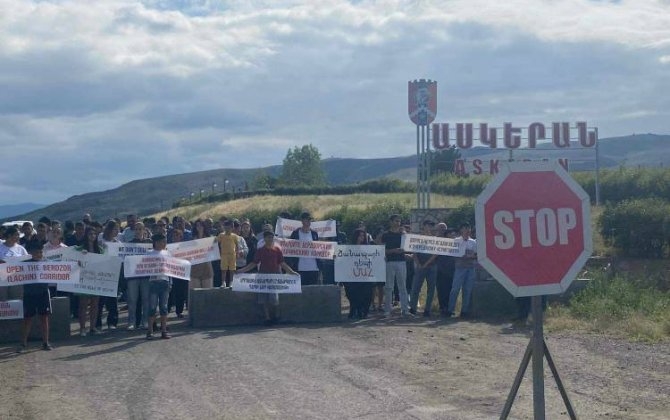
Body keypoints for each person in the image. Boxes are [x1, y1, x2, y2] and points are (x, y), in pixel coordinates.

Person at [238, 230, 298, 325]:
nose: (270, 239)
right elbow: (254, 263)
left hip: (275, 276)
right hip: (263, 276)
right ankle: (267, 318)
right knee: (263, 298)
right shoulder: (260, 251)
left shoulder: (277, 250)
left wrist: (291, 272)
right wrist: (242, 271)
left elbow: (282, 263)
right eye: (268, 237)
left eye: (271, 237)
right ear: (264, 239)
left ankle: (276, 316)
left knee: (274, 298)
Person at [17, 241, 53, 352]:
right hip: (29, 294)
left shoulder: (47, 263)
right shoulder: (24, 264)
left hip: (43, 293)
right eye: (37, 252)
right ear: (31, 253)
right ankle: (23, 344)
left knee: (44, 318)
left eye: (41, 251)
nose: (39, 254)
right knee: (27, 319)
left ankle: (45, 342)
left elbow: (64, 269)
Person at [380, 214, 409, 317]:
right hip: (390, 262)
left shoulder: (403, 234)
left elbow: (408, 246)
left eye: (399, 221)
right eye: (396, 221)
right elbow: (382, 250)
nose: (398, 223)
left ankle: (405, 309)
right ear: (391, 222)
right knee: (388, 287)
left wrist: (405, 234)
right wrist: (393, 251)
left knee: (402, 287)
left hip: (401, 262)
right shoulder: (385, 235)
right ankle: (387, 309)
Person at [447, 223, 477, 319]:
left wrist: (468, 256)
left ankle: (464, 311)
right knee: (455, 289)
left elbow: (476, 255)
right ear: (461, 230)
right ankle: (450, 310)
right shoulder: (456, 241)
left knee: (467, 290)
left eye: (469, 228)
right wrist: (461, 255)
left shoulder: (473, 242)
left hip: (470, 268)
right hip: (459, 268)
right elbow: (452, 253)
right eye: (465, 228)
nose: (467, 230)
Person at [409, 220, 438, 317]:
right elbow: (414, 252)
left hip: (431, 266)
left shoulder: (435, 239)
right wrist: (418, 264)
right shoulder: (418, 239)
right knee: (415, 287)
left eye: (431, 225)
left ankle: (427, 310)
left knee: (431, 289)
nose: (430, 227)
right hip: (420, 267)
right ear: (424, 226)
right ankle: (413, 308)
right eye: (429, 225)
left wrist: (425, 264)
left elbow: (435, 254)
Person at [146, 233, 172, 340]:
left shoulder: (167, 253)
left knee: (164, 307)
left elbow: (171, 268)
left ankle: (164, 330)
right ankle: (150, 331)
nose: (164, 243)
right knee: (152, 307)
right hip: (153, 282)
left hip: (164, 282)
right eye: (163, 241)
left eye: (165, 241)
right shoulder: (149, 253)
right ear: (156, 242)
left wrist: (171, 282)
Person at [343, 228, 374, 319]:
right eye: (360, 235)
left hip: (364, 274)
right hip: (352, 275)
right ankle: (354, 310)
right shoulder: (348, 248)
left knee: (366, 294)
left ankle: (363, 311)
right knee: (352, 294)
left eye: (363, 235)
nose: (362, 237)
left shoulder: (367, 248)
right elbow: (344, 259)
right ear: (355, 236)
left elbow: (373, 259)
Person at [96, 220, 120, 330]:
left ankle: (112, 322)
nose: (117, 231)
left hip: (112, 274)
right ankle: (97, 323)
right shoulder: (100, 240)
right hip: (100, 274)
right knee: (99, 301)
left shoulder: (118, 244)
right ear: (109, 229)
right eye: (115, 229)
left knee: (112, 300)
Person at [78, 227, 102, 336]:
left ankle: (92, 327)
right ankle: (82, 328)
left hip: (96, 279)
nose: (92, 236)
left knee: (95, 304)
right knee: (83, 304)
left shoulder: (100, 249)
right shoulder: (80, 248)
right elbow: (74, 261)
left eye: (94, 234)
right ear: (86, 235)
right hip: (83, 279)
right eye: (90, 234)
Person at [289, 211, 321, 286]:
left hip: (314, 268)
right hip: (300, 268)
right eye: (307, 219)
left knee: (313, 291)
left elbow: (318, 248)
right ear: (302, 220)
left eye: (310, 219)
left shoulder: (314, 233)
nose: (309, 221)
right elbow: (290, 248)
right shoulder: (295, 233)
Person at [0, 226, 29, 301]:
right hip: (2, 281)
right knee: (3, 301)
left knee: (16, 301)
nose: (18, 237)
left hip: (16, 280)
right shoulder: (0, 247)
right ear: (9, 235)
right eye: (16, 235)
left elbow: (27, 262)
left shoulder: (21, 249)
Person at [435, 224, 457, 317]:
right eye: (451, 234)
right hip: (441, 269)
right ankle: (442, 307)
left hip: (452, 270)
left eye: (454, 234)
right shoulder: (438, 241)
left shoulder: (457, 243)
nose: (453, 235)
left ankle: (449, 308)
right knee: (441, 289)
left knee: (451, 290)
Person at [216, 220, 242, 288]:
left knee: (232, 269)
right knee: (223, 269)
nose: (227, 229)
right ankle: (223, 282)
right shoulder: (221, 235)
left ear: (232, 228)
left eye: (229, 227)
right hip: (224, 254)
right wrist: (218, 251)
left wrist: (238, 253)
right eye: (226, 227)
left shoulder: (234, 236)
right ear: (224, 227)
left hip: (232, 255)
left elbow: (237, 245)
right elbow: (217, 243)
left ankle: (231, 282)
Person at [190, 219, 214, 290]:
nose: (199, 227)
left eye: (201, 225)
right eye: (197, 225)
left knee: (207, 295)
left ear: (204, 227)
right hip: (194, 270)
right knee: (195, 296)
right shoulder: (191, 240)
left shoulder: (210, 238)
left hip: (206, 269)